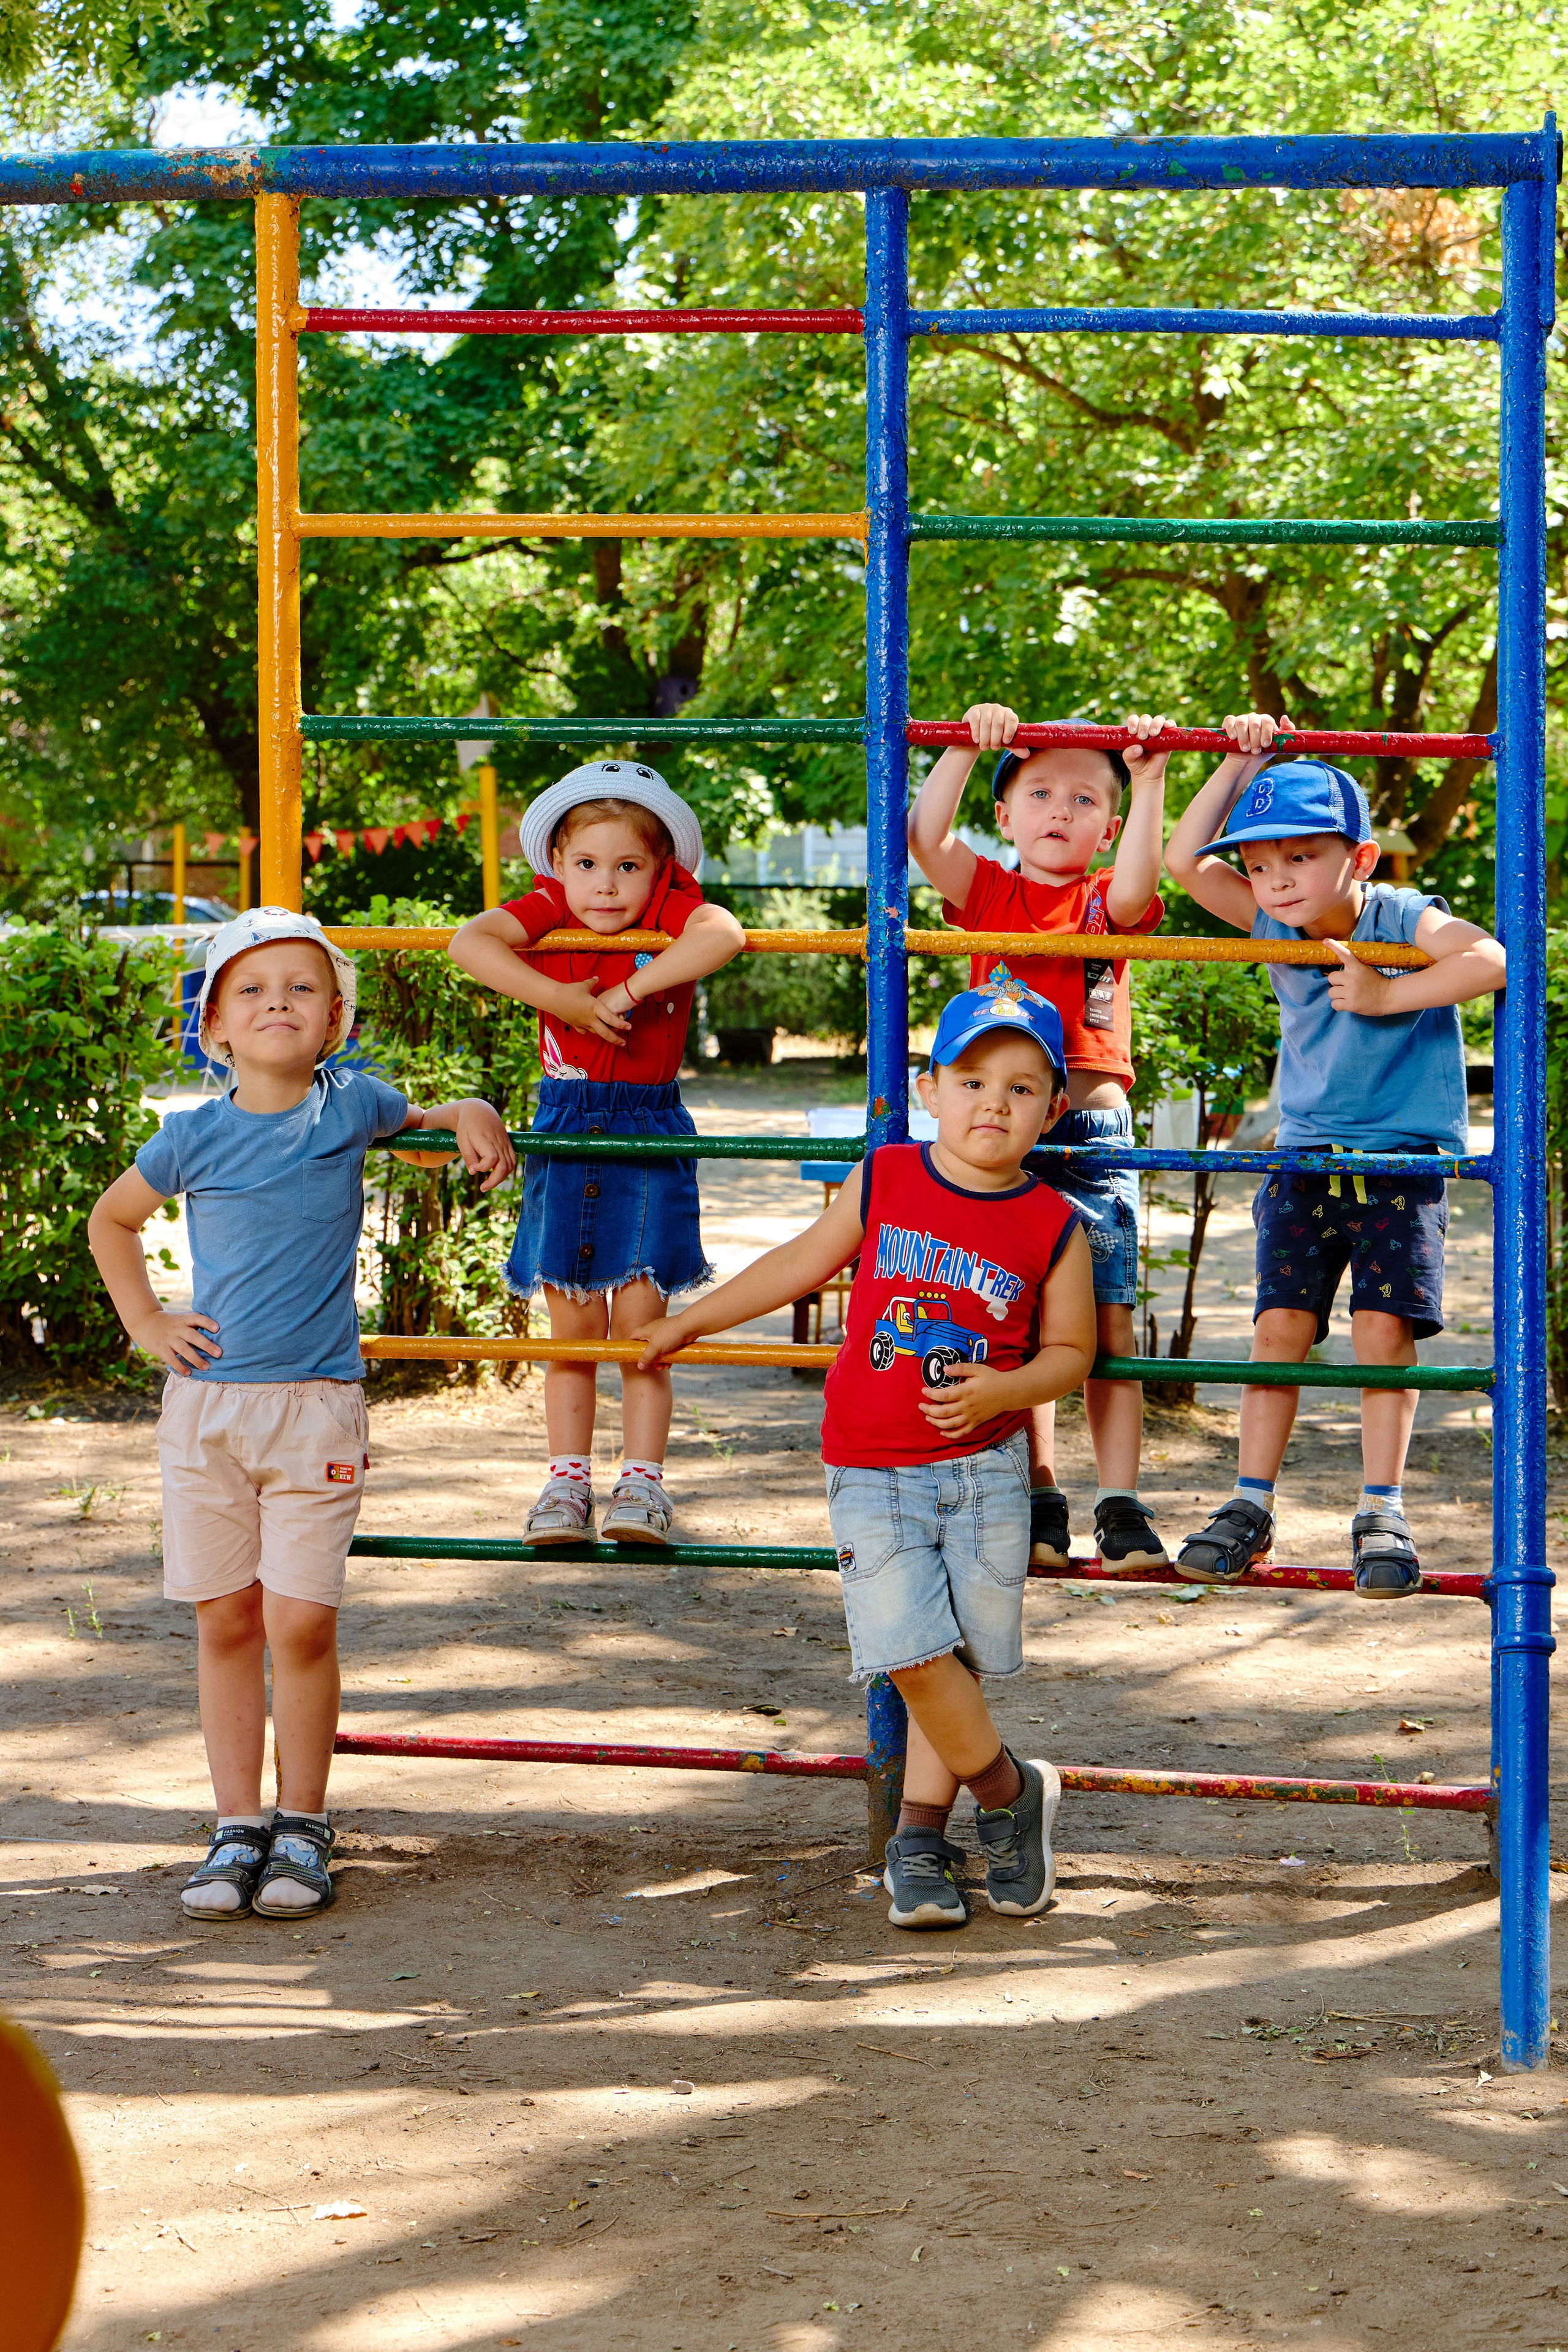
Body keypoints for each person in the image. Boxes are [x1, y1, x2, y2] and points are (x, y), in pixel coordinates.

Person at [635, 982, 1096, 1931]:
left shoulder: (1054, 1223)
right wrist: (691, 1322)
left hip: (987, 1473)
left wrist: (1003, 1390)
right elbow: (802, 1261)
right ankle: (1012, 1795)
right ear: (931, 1089)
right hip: (872, 1466)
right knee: (914, 1654)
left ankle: (920, 1839)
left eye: (1021, 1088)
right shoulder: (887, 1177)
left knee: (954, 1659)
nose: (993, 1104)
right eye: (972, 1080)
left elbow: (1071, 1354)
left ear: (1054, 1109)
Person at [87, 907, 515, 1921]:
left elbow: (430, 1119)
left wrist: (475, 1109)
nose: (277, 1001)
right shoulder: (189, 1135)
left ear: (334, 1021)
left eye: (301, 988)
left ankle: (304, 1825)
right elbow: (112, 1219)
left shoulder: (351, 1106)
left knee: (301, 1621)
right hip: (207, 1412)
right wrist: (147, 1321)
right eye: (251, 990)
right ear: (216, 1031)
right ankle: (237, 1824)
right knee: (227, 1620)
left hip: (316, 1411)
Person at [1164, 712, 1507, 1594]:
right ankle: (1249, 1500)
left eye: (1300, 858)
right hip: (1307, 1157)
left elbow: (1489, 958)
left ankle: (1382, 1504)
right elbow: (1182, 864)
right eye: (1260, 863)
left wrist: (1393, 995)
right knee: (1279, 1328)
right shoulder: (1275, 924)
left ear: (1356, 858)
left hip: (1401, 1163)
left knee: (1383, 1334)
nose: (1275, 880)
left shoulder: (1401, 915)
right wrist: (1241, 762)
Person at [448, 760, 745, 1547]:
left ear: (660, 872)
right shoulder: (549, 909)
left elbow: (724, 932)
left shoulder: (673, 910)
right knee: (570, 1325)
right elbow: (470, 940)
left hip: (645, 1125)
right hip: (566, 1123)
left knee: (645, 1326)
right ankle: (565, 1483)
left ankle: (643, 1486)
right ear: (558, 867)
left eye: (627, 867)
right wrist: (562, 998)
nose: (605, 886)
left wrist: (626, 994)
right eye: (586, 865)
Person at [907, 701, 1172, 1576]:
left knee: (1107, 1323)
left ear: (1111, 826)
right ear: (1006, 814)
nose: (1062, 810)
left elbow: (1139, 887)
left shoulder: (1105, 898)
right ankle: (1038, 1492)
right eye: (1043, 792)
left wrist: (1151, 769)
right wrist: (958, 739)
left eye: (1087, 800)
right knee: (1016, 1329)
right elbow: (923, 838)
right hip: (1003, 1138)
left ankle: (1123, 1501)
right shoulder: (989, 891)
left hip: (1092, 1132)